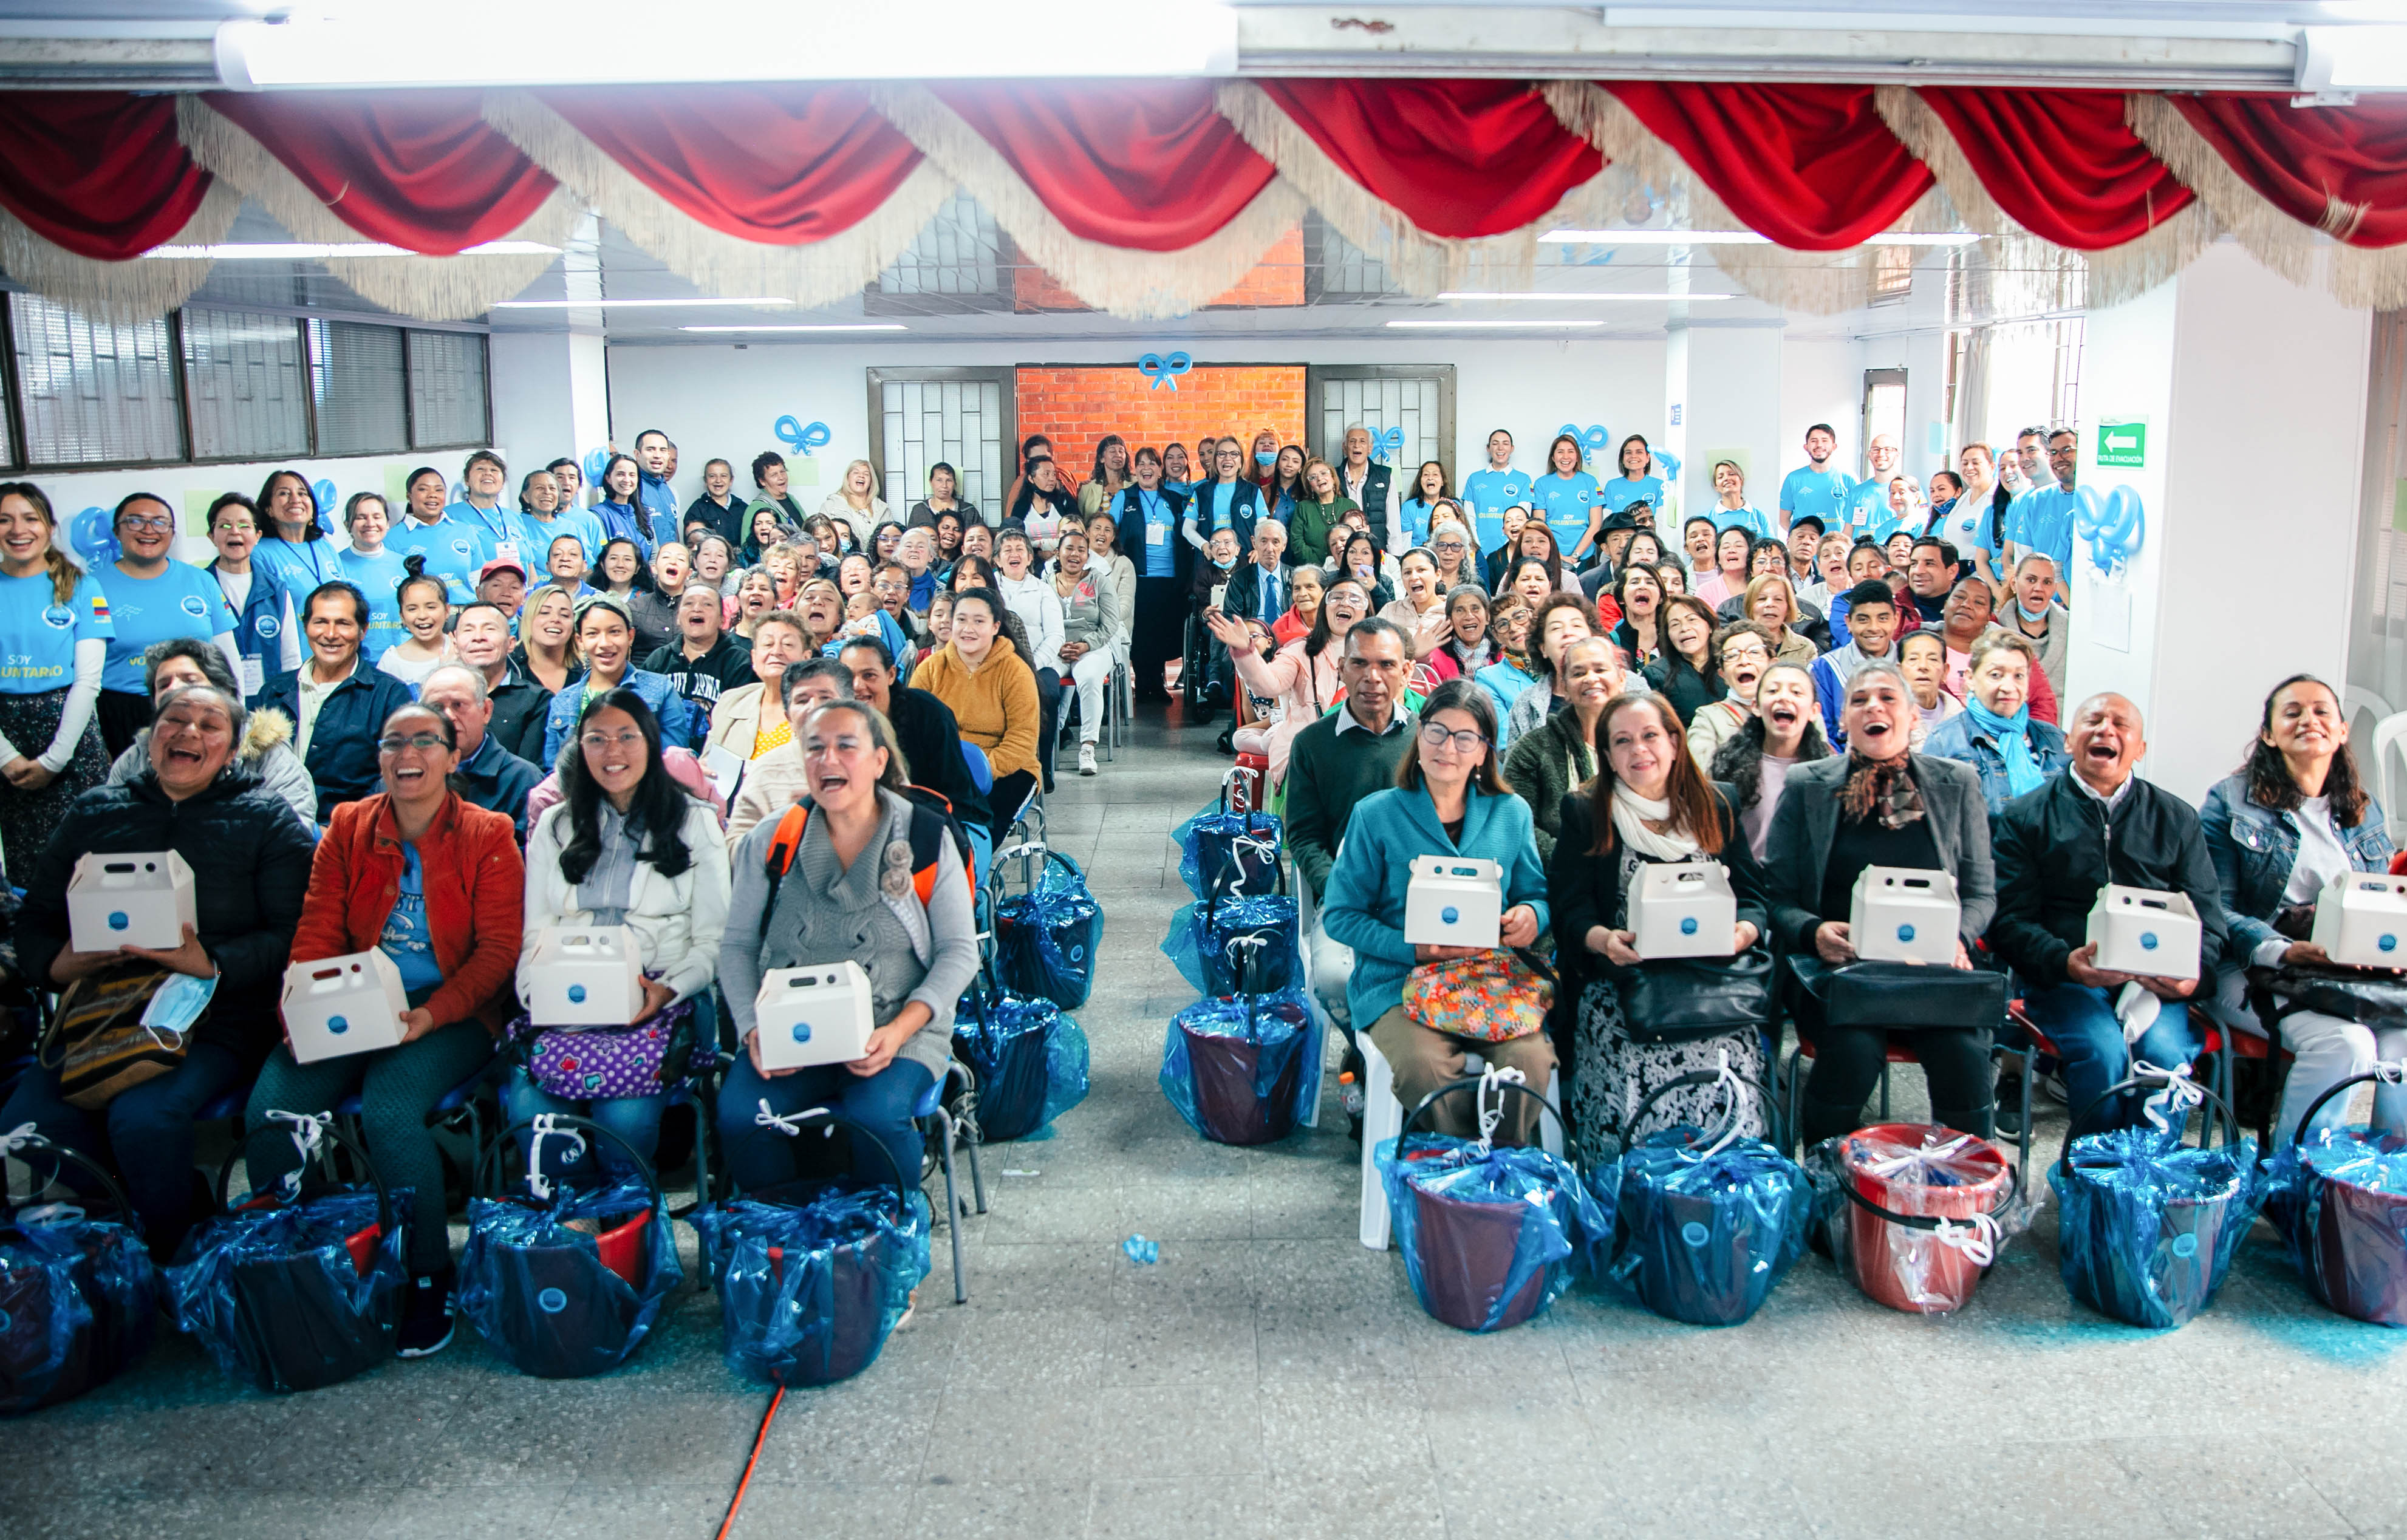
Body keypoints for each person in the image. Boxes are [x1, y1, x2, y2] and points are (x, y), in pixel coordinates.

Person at [243, 701, 523, 1356]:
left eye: (426, 741)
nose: (408, 754)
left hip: (449, 1006)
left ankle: (428, 1270)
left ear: (454, 758)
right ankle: (317, 1253)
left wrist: (433, 1013)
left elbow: (498, 953)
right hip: (354, 995)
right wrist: (302, 1005)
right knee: (271, 1109)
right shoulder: (348, 826)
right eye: (394, 741)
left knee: (390, 1109)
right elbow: (317, 927)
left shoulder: (488, 832)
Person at [0, 680, 313, 1261]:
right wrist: (61, 963)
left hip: (215, 1018)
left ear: (232, 745)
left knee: (142, 1117)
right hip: (102, 1014)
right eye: (175, 719)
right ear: (151, 735)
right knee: (25, 1127)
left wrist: (210, 961)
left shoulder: (264, 816)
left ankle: (173, 1258)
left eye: (210, 724)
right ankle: (109, 1244)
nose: (189, 732)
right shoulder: (96, 811)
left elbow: (294, 933)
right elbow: (37, 918)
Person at [716, 695, 980, 1196]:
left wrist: (901, 1029)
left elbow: (959, 952)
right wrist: (753, 1030)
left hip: (896, 1028)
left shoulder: (924, 838)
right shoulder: (773, 841)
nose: (828, 760)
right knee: (741, 1117)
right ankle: (783, 1239)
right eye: (814, 748)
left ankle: (887, 1239)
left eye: (846, 746)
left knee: (875, 1116)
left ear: (879, 760)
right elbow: (735, 946)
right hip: (789, 1030)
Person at [1764, 662, 1996, 1145]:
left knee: (1963, 1052)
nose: (1873, 706)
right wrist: (1813, 932)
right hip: (1838, 973)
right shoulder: (1807, 785)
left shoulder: (1957, 783)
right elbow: (1778, 894)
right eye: (1859, 700)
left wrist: (1957, 937)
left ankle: (1963, 1192)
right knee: (1852, 1051)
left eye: (1888, 698)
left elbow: (1980, 892)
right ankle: (1830, 1187)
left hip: (1930, 970)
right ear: (1841, 720)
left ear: (1913, 717)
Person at [510, 687, 730, 1175]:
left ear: (651, 745)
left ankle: (626, 1233)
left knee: (623, 1121)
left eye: (627, 737)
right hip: (568, 994)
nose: (613, 752)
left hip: (657, 992)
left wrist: (669, 989)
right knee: (534, 1119)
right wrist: (538, 996)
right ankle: (574, 1231)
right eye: (597, 739)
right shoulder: (554, 826)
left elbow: (714, 941)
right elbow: (535, 934)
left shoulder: (694, 822)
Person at [1323, 678, 1552, 1145]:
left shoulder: (1511, 813)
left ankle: (1498, 1168)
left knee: (1527, 1062)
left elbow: (1535, 893)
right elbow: (1341, 916)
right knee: (1423, 1067)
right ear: (1419, 735)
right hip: (1396, 981)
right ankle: (1458, 1167)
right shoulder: (1376, 814)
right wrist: (1414, 949)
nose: (1448, 747)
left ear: (1484, 752)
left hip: (1489, 977)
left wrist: (1531, 916)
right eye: (1436, 731)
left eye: (1465, 737)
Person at [1989, 692, 2228, 1136]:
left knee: (2163, 1056)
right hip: (2066, 979)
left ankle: (2147, 1181)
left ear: (2139, 749)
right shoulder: (2026, 817)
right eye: (2093, 721)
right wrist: (2064, 963)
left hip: (2156, 984)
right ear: (2067, 741)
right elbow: (2007, 922)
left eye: (2121, 725)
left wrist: (2193, 976)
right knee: (2103, 1053)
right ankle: (2094, 1177)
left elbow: (2209, 919)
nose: (2105, 730)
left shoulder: (2175, 818)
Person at [1552, 692, 1771, 1159]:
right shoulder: (1585, 812)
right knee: (1625, 1046)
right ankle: (1628, 1189)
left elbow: (1753, 899)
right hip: (1627, 983)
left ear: (1674, 741)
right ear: (1607, 755)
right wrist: (1603, 940)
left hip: (1711, 980)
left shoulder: (1717, 803)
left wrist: (1741, 934)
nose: (1639, 751)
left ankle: (1725, 1184)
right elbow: (1569, 912)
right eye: (1623, 741)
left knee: (1731, 1048)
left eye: (1650, 736)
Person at [2202, 675, 2402, 1141]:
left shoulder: (2361, 809)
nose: (2307, 720)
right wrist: (2283, 950)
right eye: (2291, 712)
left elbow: (2383, 903)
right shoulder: (2229, 802)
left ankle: (2382, 1189)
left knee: (2403, 1045)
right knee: (2345, 1045)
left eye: (2320, 711)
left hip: (2346, 973)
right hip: (2254, 967)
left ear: (2341, 730)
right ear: (2269, 734)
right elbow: (2213, 908)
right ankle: (2296, 1179)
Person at [0, 482, 112, 883]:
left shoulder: (83, 588)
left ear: (49, 527)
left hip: (70, 734)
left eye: (30, 518)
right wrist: (6, 758)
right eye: (5, 520)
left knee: (88, 863)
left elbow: (88, 682)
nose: (18, 530)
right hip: (6, 740)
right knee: (26, 869)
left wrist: (54, 760)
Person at [106, 638, 316, 830]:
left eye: (190, 680)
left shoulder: (269, 757)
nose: (173, 689)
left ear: (224, 692)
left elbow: (292, 841)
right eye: (163, 684)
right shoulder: (135, 759)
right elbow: (107, 832)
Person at [89, 492, 242, 758]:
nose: (149, 530)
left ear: (172, 533)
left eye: (160, 522)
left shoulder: (201, 580)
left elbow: (228, 657)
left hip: (200, 707)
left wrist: (239, 712)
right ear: (117, 531)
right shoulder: (91, 587)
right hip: (122, 713)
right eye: (136, 521)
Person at [261, 581, 416, 822]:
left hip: (353, 836)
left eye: (343, 623)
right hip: (275, 833)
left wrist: (343, 831)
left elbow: (398, 778)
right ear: (306, 627)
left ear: (363, 630)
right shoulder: (273, 692)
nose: (331, 634)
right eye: (321, 622)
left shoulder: (390, 695)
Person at [1210, 574, 1367, 786]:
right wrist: (1245, 651)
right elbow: (1268, 684)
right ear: (1325, 607)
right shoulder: (1300, 650)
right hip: (1307, 751)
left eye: (1355, 599)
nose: (1345, 602)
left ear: (1367, 611)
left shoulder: (1381, 653)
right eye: (1337, 597)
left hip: (1363, 750)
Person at [913, 587, 1040, 843]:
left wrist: (981, 770)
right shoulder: (931, 669)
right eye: (961, 619)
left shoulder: (1015, 672)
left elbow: (1023, 740)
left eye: (978, 621)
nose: (967, 628)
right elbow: (911, 727)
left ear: (995, 626)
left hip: (1006, 768)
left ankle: (971, 876)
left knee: (973, 833)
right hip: (945, 768)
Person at [836, 636, 991, 840]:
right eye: (848, 677)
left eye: (869, 676)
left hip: (952, 820)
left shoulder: (927, 712)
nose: (857, 686)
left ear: (891, 675)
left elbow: (954, 795)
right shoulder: (836, 721)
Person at [540, 598, 703, 766]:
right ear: (580, 641)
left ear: (630, 636)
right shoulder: (563, 701)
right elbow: (554, 771)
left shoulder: (661, 690)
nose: (604, 643)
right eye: (592, 634)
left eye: (614, 632)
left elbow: (674, 761)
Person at [1920, 632, 2065, 819]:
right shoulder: (1945, 741)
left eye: (2019, 676)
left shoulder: (2054, 740)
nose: (2008, 687)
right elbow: (1933, 821)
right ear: (1970, 678)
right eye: (1996, 675)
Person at [1504, 634, 1619, 864]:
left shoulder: (1645, 743)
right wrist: (1570, 861)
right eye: (1578, 673)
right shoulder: (1534, 749)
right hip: (1561, 875)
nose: (1591, 679)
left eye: (1600, 669)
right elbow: (1515, 820)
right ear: (1564, 687)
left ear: (1622, 678)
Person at [723, 658, 853, 848]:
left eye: (826, 698)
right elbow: (735, 849)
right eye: (802, 700)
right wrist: (784, 825)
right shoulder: (767, 769)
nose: (814, 707)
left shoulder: (875, 762)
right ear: (788, 718)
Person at [1709, 661, 1829, 861]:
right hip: (1747, 886)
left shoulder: (1827, 772)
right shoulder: (1730, 766)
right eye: (1773, 691)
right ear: (1755, 706)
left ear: (1814, 711)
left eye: (1797, 693)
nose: (1783, 697)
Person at [419, 663, 541, 838]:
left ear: (486, 711)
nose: (449, 717)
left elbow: (530, 858)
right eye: (437, 708)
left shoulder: (523, 780)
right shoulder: (405, 774)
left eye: (458, 705)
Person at [202, 494, 299, 704]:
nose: (235, 531)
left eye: (244, 525)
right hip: (216, 705)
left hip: (269, 709)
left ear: (257, 536)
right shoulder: (200, 587)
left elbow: (291, 659)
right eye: (225, 526)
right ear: (212, 536)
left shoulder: (277, 590)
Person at [1935, 571, 2059, 724]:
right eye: (1960, 597)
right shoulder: (1920, 643)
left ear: (1989, 617)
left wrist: (2031, 740)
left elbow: (2042, 702)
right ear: (1946, 604)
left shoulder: (2012, 650)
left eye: (1979, 603)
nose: (1966, 605)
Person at [993, 528, 1066, 785]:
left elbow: (1056, 635)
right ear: (997, 560)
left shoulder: (1043, 590)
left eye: (1020, 549)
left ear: (1028, 558)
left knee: (1049, 695)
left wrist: (1032, 663)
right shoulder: (990, 589)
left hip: (1039, 664)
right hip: (997, 665)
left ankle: (1043, 766)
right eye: (1007, 550)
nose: (1014, 555)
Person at [1048, 526, 1121, 777]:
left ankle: (1087, 747)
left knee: (1089, 678)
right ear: (1058, 553)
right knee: (1041, 678)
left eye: (1082, 550)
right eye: (1069, 548)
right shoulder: (1045, 584)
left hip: (1094, 647)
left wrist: (1086, 644)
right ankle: (1045, 742)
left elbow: (1111, 623)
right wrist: (1057, 646)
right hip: (1056, 648)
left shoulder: (1099, 581)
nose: (1075, 554)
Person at [702, 608, 811, 766]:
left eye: (787, 644)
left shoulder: (819, 710)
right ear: (754, 657)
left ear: (806, 658)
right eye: (768, 644)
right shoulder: (731, 701)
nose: (776, 651)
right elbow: (706, 764)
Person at [454, 599, 551, 766]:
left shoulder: (537, 700)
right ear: (455, 645)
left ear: (511, 644)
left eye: (490, 629)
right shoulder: (441, 701)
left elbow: (531, 772)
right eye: (468, 630)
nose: (478, 638)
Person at [1809, 579, 1904, 746]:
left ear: (1895, 620)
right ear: (1848, 622)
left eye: (1883, 618)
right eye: (1863, 620)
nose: (1874, 628)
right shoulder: (1824, 669)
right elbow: (1821, 737)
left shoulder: (1909, 665)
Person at [1503, 592, 1600, 749]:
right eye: (1556, 628)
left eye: (1576, 625)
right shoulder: (1525, 705)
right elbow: (1516, 770)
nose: (1568, 633)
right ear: (1543, 648)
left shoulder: (1628, 685)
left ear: (1593, 636)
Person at [644, 584, 753, 717]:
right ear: (678, 618)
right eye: (689, 603)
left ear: (722, 620)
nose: (696, 609)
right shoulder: (659, 660)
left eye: (707, 604)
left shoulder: (739, 663)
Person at [394, 465, 487, 603]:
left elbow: (478, 580)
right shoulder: (393, 538)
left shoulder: (464, 531)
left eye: (439, 490)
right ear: (409, 496)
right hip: (424, 618)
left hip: (466, 616)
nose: (432, 495)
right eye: (423, 489)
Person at [250, 467, 343, 600]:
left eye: (302, 493)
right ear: (269, 509)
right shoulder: (258, 554)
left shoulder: (325, 547)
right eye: (284, 493)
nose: (296, 500)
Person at [2007, 428, 2080, 589]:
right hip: (2043, 602)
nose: (2059, 458)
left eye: (2067, 450)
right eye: (2053, 453)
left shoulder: (2093, 500)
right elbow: (2023, 558)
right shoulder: (2037, 500)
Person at [375, 559, 460, 692]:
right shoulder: (391, 662)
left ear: (447, 611)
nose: (422, 616)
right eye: (412, 609)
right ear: (402, 616)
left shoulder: (460, 651)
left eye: (431, 607)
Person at [2001, 552, 2069, 704]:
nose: (2039, 588)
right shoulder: (1994, 631)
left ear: (2054, 588)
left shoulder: (2073, 630)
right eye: (2031, 580)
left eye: (2047, 582)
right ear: (2014, 584)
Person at [1644, 593, 1721, 726]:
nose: (1684, 629)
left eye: (1692, 620)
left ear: (1710, 627)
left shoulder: (1729, 664)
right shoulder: (1656, 674)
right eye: (1675, 625)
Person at [1183, 438, 1267, 558]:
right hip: (1210, 563)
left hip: (1244, 562)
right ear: (1215, 460)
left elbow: (1263, 528)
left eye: (1234, 454)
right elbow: (1187, 529)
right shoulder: (1201, 492)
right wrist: (1204, 546)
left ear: (1241, 462)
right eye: (1222, 454)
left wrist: (1259, 549)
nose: (1228, 458)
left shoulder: (1253, 491)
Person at [1531, 432, 1602, 565]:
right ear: (1553, 457)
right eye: (1560, 452)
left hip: (1585, 556)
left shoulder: (1590, 482)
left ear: (1577, 457)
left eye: (1571, 451)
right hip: (1551, 555)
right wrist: (1558, 555)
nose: (1566, 457)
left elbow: (1596, 524)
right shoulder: (1542, 484)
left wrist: (1575, 555)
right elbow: (1540, 526)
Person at [1460, 429, 1531, 556]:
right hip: (1479, 551)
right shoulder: (1474, 479)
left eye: (1505, 443)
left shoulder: (1523, 480)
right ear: (1488, 448)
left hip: (1511, 551)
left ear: (1512, 448)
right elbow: (1469, 518)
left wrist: (1509, 546)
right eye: (1495, 443)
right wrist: (1476, 546)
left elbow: (1523, 520)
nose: (1500, 448)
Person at [1335, 425, 1402, 553]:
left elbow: (1393, 521)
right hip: (1343, 551)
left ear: (1370, 448)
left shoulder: (1385, 476)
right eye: (1352, 441)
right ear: (1345, 448)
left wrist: (1395, 556)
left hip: (1375, 550)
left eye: (1362, 441)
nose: (1357, 446)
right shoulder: (1334, 477)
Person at [1778, 423, 1852, 534]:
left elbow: (1855, 519)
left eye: (1825, 441)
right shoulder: (1793, 479)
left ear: (1834, 447)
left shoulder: (1848, 479)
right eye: (1814, 441)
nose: (1819, 445)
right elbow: (1783, 520)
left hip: (1836, 548)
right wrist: (1801, 538)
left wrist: (1843, 541)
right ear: (1806, 447)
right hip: (1805, 549)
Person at [1379, 547, 1450, 663]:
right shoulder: (1390, 610)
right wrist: (1413, 653)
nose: (1413, 577)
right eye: (1407, 573)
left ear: (1438, 575)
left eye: (1421, 570)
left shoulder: (1451, 614)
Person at [1896, 630, 1964, 746]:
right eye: (1913, 659)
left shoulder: (1961, 719)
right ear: (1899, 671)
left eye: (1933, 659)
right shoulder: (1885, 716)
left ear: (1945, 672)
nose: (1923, 666)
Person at [1741, 574, 1816, 669]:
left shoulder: (1805, 647)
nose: (1770, 604)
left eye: (1778, 599)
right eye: (1762, 599)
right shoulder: (1737, 645)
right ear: (1750, 605)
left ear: (1788, 607)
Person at [629, 542, 689, 658]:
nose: (673, 562)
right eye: (666, 557)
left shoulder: (699, 610)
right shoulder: (634, 609)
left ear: (689, 573)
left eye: (681, 559)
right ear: (654, 568)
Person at [591, 454, 655, 562]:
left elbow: (654, 554)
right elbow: (601, 557)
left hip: (646, 578)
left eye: (632, 475)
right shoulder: (598, 515)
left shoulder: (645, 513)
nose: (627, 480)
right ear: (608, 479)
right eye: (620, 474)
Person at [819, 458, 888, 551]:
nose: (861, 476)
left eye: (866, 474)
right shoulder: (831, 506)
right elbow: (822, 539)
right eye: (856, 473)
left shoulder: (882, 508)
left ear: (871, 481)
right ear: (848, 479)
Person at [1427, 585, 1492, 683]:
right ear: (1450, 620)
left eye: (1475, 609)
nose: (1469, 616)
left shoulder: (1504, 655)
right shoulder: (1436, 659)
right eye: (1460, 610)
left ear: (1487, 617)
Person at [1842, 433, 1902, 538]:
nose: (1881, 454)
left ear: (1897, 455)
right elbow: (1848, 532)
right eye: (1876, 450)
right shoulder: (1858, 491)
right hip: (1860, 552)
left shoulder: (1907, 489)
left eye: (1887, 450)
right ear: (1869, 455)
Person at [1608, 563, 1666, 670]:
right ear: (1621, 598)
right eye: (1634, 582)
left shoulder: (1672, 639)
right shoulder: (1609, 644)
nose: (1642, 586)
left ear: (1661, 598)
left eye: (1650, 582)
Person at [684, 456, 751, 548]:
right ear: (706, 481)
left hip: (741, 561)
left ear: (731, 480)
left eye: (723, 476)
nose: (718, 481)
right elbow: (691, 544)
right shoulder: (697, 510)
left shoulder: (743, 508)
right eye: (712, 476)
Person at [1602, 434, 1667, 519]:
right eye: (1628, 453)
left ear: (1648, 458)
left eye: (1639, 452)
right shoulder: (1612, 486)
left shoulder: (1659, 486)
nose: (1633, 456)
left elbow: (1661, 523)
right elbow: (1607, 520)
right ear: (1622, 459)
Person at [1710, 460, 1773, 539]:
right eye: (1720, 477)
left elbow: (1771, 548)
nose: (1726, 478)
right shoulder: (1707, 519)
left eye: (1731, 474)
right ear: (1716, 487)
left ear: (1741, 480)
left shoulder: (1760, 517)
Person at [1695, 526, 1753, 612]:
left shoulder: (1761, 587)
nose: (1732, 550)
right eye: (1726, 547)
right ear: (1718, 558)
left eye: (1739, 546)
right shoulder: (1705, 592)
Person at [1399, 460, 1449, 550]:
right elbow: (1404, 544)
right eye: (1426, 475)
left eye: (1435, 475)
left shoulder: (1453, 506)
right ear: (1420, 481)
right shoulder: (1409, 507)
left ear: (1443, 481)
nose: (1430, 478)